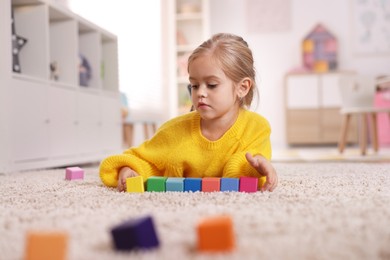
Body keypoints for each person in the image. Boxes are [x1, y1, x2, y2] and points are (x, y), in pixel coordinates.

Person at [99, 33, 278, 192]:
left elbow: (248, 173)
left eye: (212, 85)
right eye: (194, 85)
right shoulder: (175, 130)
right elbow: (145, 161)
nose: (200, 92)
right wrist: (129, 169)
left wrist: (259, 167)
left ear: (242, 87)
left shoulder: (257, 128)